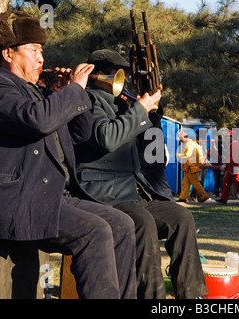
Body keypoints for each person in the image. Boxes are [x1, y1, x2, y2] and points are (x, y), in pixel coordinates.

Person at [0, 10, 136, 299]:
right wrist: (71, 90)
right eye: (34, 49)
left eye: (42, 51)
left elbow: (79, 135)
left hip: (49, 198)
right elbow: (37, 120)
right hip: (14, 201)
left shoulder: (41, 94)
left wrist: (69, 93)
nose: (41, 58)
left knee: (122, 224)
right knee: (94, 231)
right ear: (9, 53)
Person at [74, 49, 208, 299]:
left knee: (181, 217)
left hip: (129, 191)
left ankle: (192, 296)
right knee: (142, 222)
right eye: (116, 74)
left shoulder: (121, 104)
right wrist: (138, 110)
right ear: (97, 74)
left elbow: (149, 147)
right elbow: (106, 138)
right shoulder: (85, 99)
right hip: (102, 192)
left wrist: (152, 112)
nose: (122, 80)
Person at [215, 130, 239, 205]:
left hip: (236, 168)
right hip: (233, 168)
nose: (227, 138)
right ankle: (223, 199)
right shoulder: (234, 144)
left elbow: (234, 158)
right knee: (226, 183)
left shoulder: (234, 144)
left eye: (228, 136)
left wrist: (225, 165)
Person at [176, 130, 209, 203]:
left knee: (195, 183)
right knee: (185, 183)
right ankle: (183, 198)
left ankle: (204, 196)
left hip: (191, 167)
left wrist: (177, 155)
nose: (178, 140)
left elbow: (188, 155)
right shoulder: (191, 142)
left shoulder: (189, 143)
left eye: (179, 138)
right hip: (189, 167)